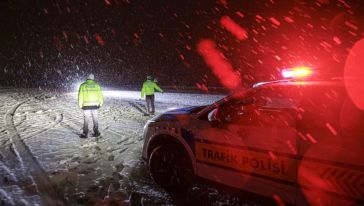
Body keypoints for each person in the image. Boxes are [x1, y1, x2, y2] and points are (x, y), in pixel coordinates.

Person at [78, 74, 103, 138]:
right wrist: (100, 104)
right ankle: (96, 132)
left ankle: (85, 133)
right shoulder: (97, 85)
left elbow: (80, 96)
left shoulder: (82, 85)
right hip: (95, 106)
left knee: (86, 120)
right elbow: (100, 96)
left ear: (87, 78)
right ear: (93, 78)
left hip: (86, 106)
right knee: (95, 119)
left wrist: (80, 105)